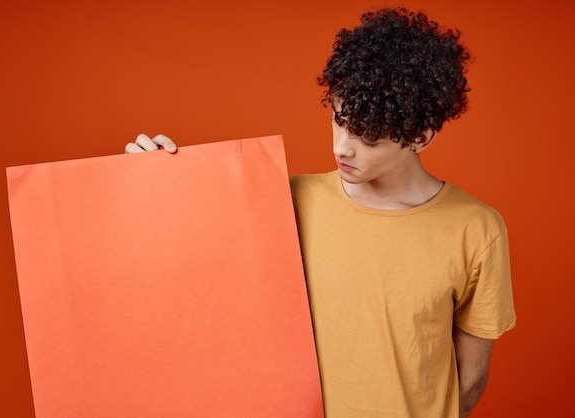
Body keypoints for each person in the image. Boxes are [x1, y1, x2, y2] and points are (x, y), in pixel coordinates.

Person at [125, 7, 516, 418]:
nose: (342, 147)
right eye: (340, 120)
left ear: (419, 138)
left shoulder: (477, 229)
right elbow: (177, 273)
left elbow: (469, 383)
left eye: (367, 138)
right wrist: (150, 180)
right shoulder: (283, 199)